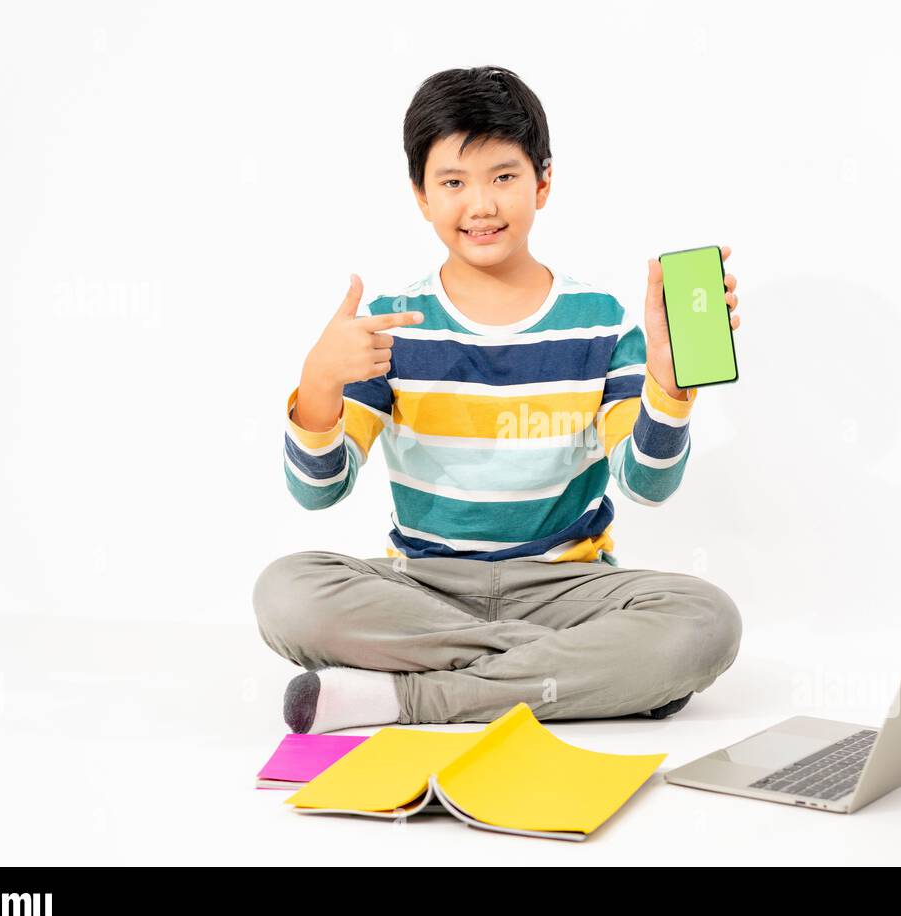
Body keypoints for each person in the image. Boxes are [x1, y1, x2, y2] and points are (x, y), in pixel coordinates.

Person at [252, 65, 745, 733]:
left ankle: (410, 699)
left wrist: (669, 388)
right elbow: (319, 494)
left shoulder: (601, 322)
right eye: (453, 182)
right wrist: (318, 387)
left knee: (705, 622)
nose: (480, 205)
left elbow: (647, 486)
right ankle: (584, 678)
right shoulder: (392, 324)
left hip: (568, 591)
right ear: (421, 196)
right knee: (286, 593)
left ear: (543, 182)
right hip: (424, 593)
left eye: (503, 177)